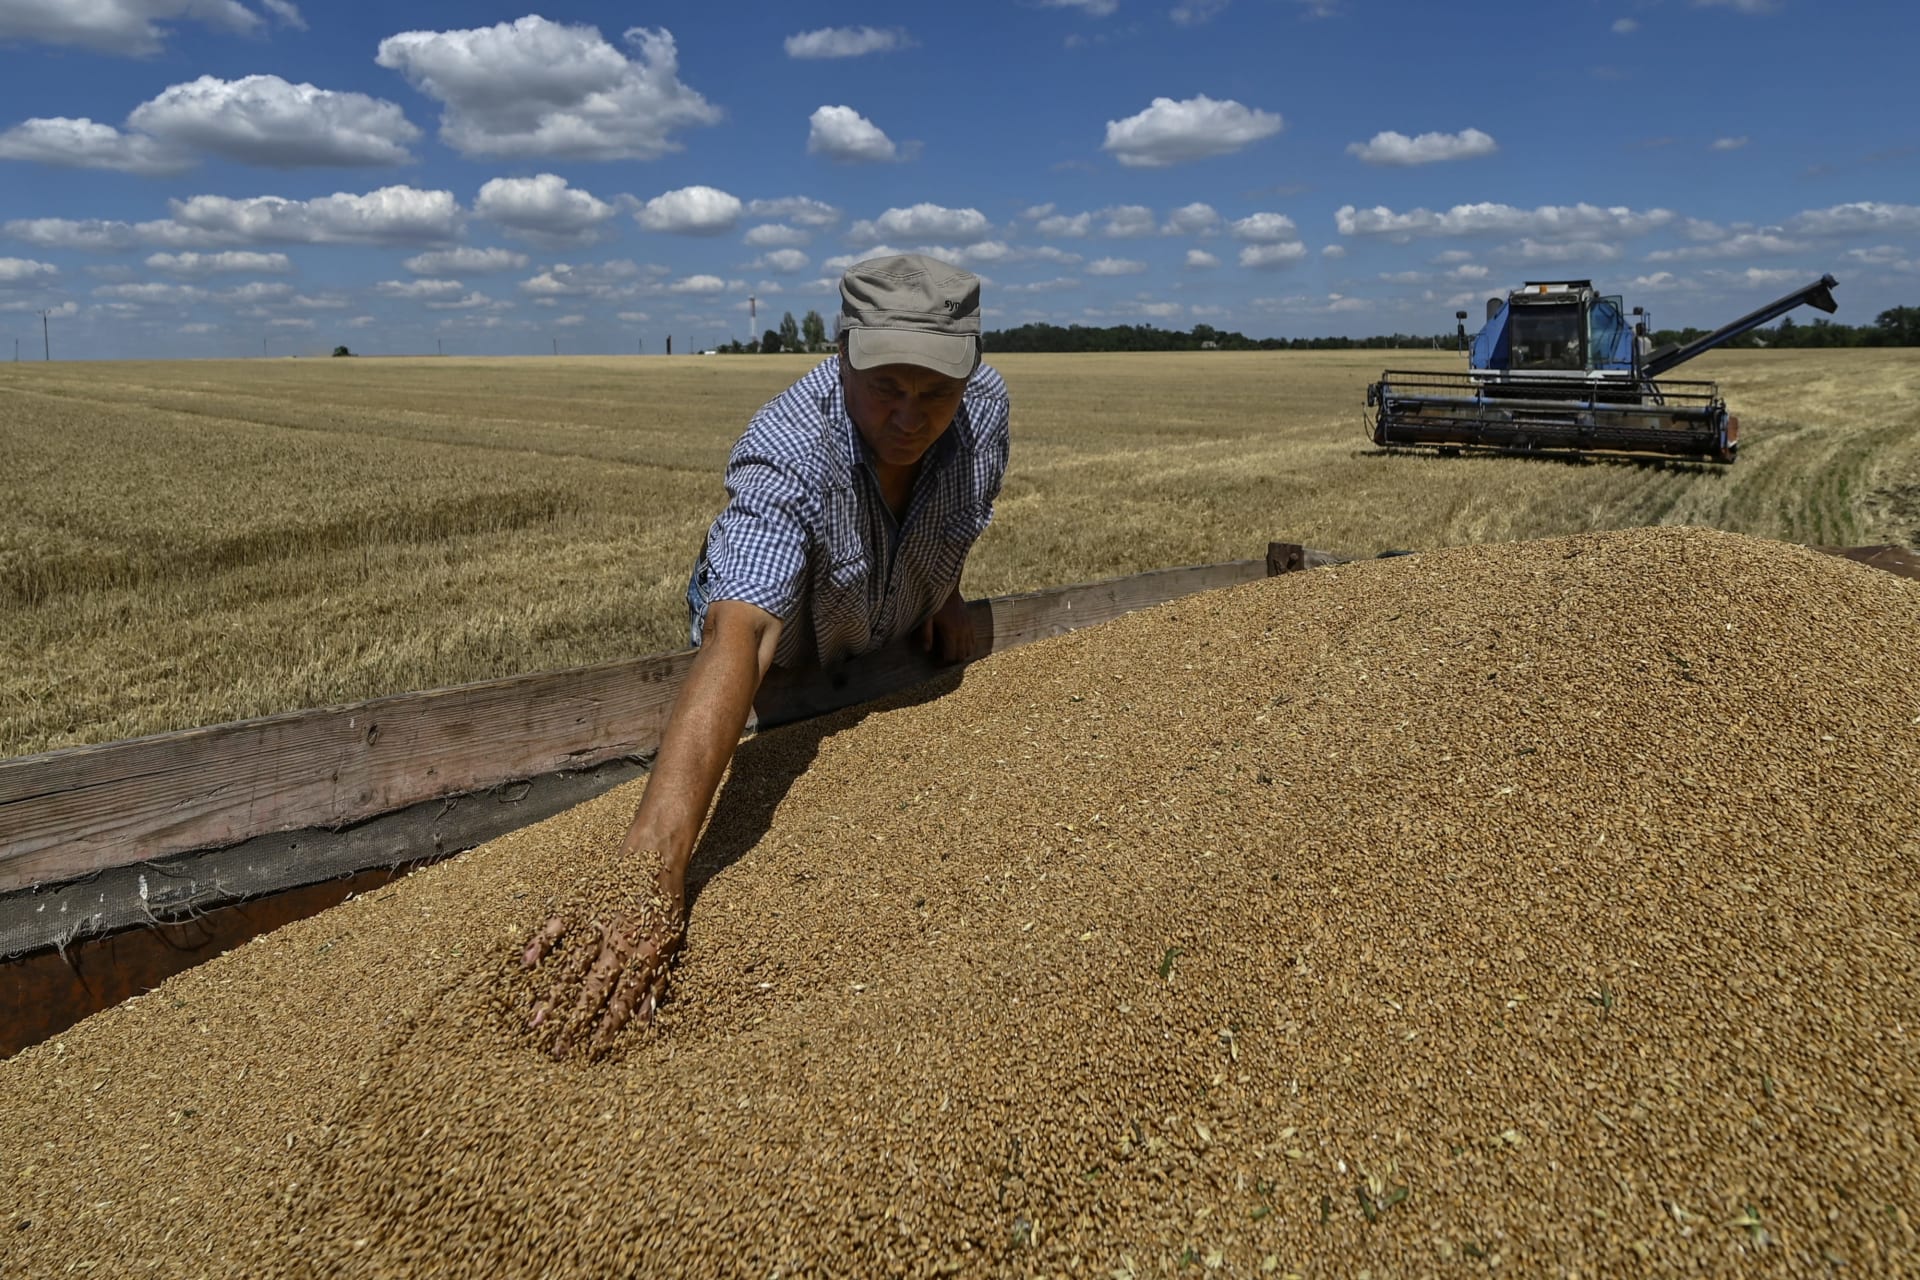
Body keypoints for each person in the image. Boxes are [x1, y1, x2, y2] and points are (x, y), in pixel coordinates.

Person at [523, 254, 1011, 1056]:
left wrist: (949, 593)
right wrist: (648, 873)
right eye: (886, 386)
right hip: (785, 659)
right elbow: (742, 633)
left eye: (936, 393)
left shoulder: (985, 414)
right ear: (844, 348)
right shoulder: (790, 445)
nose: (910, 418)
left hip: (880, 638)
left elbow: (964, 511)